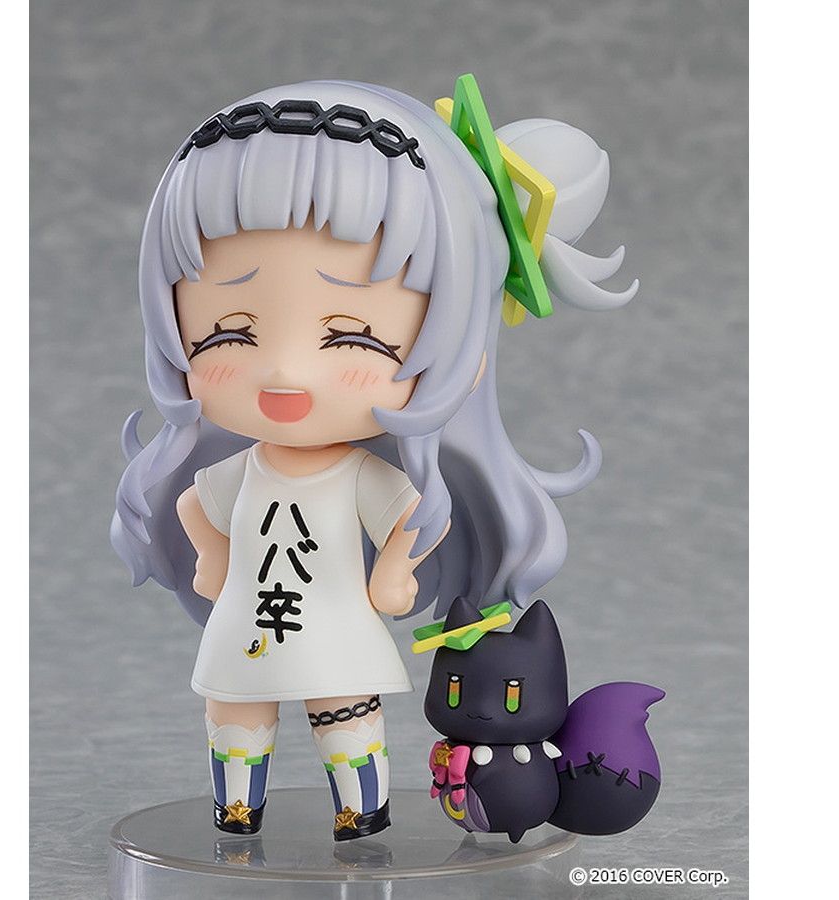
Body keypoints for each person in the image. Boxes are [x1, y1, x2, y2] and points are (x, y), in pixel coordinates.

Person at [111, 77, 636, 840]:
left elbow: (410, 517)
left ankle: (361, 809)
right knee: (235, 709)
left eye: (353, 337)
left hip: (334, 624)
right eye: (228, 332)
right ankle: (238, 807)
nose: (285, 371)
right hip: (246, 623)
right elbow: (197, 504)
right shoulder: (239, 473)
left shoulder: (361, 476)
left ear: (460, 353)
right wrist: (212, 558)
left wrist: (393, 569)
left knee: (344, 708)